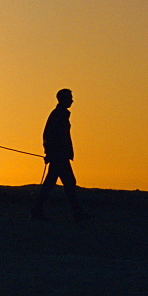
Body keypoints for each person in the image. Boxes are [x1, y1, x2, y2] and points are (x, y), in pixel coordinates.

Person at [31, 88, 86, 221]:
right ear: (63, 99)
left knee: (53, 184)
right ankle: (78, 214)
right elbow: (50, 135)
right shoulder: (58, 115)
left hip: (59, 155)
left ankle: (37, 211)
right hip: (59, 156)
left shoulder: (60, 114)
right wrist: (50, 152)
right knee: (68, 183)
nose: (72, 101)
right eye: (69, 98)